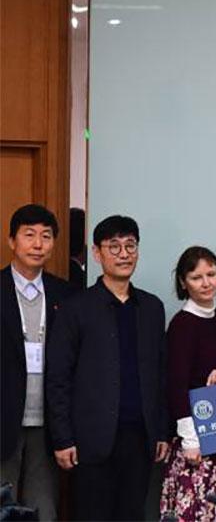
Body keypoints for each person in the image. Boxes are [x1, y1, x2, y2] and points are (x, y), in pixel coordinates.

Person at [46, 215, 169, 521]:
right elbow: (59, 377)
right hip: (90, 439)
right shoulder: (76, 307)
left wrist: (162, 431)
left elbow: (161, 375)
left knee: (132, 514)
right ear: (97, 253)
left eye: (130, 245)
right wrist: (63, 438)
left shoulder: (152, 308)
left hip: (140, 437)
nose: (124, 253)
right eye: (114, 247)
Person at [1, 204, 74, 520]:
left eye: (46, 236)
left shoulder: (66, 294)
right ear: (11, 241)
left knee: (43, 509)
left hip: (47, 424)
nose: (38, 243)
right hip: (3, 418)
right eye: (29, 235)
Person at [160, 247, 216, 522]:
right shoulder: (181, 324)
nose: (206, 283)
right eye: (196, 277)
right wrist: (191, 440)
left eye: (211, 274)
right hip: (193, 439)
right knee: (193, 512)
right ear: (183, 282)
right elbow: (175, 383)